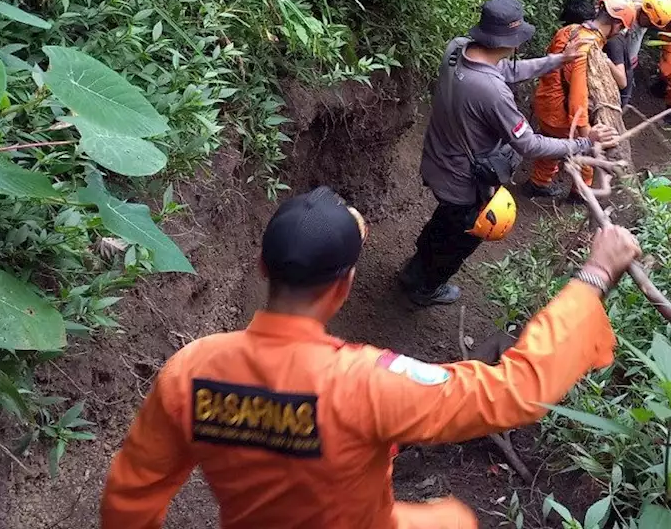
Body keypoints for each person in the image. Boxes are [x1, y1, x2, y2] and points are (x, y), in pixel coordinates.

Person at [100, 186, 643, 529]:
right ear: (345, 285)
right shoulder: (367, 383)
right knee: (457, 520)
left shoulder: (191, 370)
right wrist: (593, 276)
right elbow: (514, 391)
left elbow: (130, 497)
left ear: (263, 269)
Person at [400, 0, 616, 306]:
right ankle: (426, 287)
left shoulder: (457, 48)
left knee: (444, 220)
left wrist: (557, 60)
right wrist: (585, 142)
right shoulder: (491, 92)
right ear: (512, 40)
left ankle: (415, 269)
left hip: (437, 160)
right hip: (465, 182)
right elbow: (528, 144)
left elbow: (504, 70)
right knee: (460, 238)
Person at [529, 0, 636, 195]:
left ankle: (539, 183)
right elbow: (578, 96)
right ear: (617, 24)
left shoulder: (569, 30)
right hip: (563, 112)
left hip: (545, 100)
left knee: (549, 146)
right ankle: (581, 191)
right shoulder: (588, 48)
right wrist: (587, 135)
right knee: (585, 154)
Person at [605, 0, 671, 107]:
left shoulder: (643, 5)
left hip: (629, 60)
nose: (650, 26)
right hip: (617, 59)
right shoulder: (624, 21)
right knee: (622, 95)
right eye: (650, 23)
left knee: (625, 95)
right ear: (644, 14)